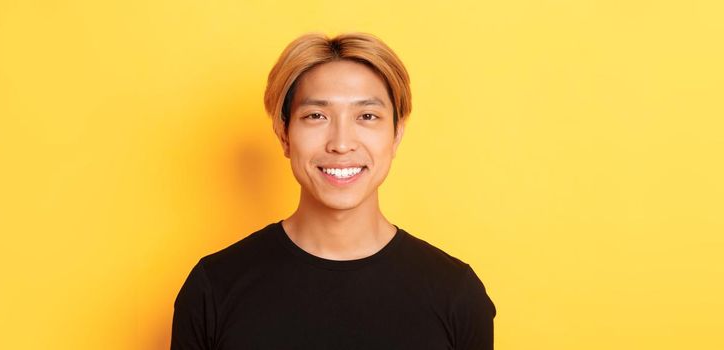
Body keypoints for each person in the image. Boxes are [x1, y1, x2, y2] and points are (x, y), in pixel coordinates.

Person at [171, 32, 495, 349]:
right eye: (316, 116)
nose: (341, 144)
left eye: (367, 116)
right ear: (284, 134)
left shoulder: (456, 295)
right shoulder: (213, 289)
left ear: (396, 135)